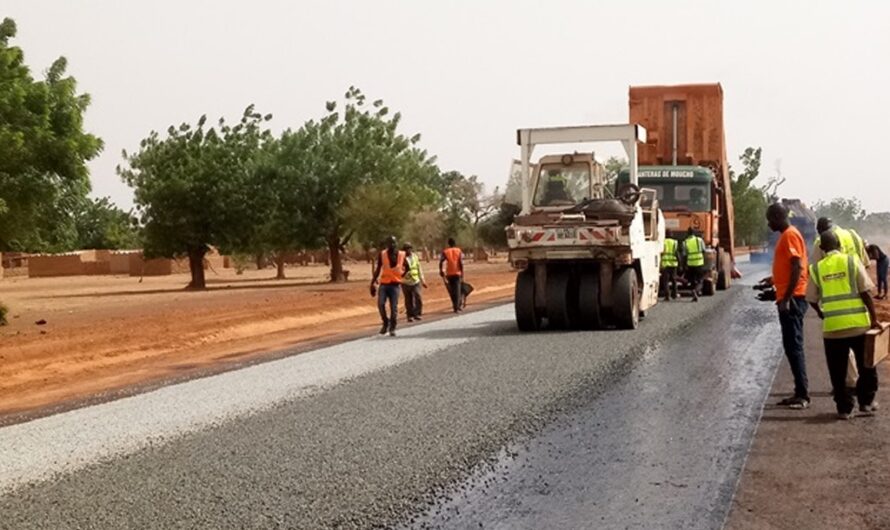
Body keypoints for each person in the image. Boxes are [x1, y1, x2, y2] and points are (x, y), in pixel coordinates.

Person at [806, 230, 880, 420]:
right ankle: (866, 402)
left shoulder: (816, 268)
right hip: (858, 325)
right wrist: (874, 318)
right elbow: (865, 292)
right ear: (839, 244)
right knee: (867, 366)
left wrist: (821, 313)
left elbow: (811, 298)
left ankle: (844, 409)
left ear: (821, 248)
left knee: (837, 371)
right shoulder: (851, 261)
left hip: (833, 329)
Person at [764, 203, 811, 409]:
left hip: (793, 299)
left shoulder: (790, 235)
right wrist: (773, 281)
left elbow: (797, 266)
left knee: (794, 347)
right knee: (791, 347)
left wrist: (787, 297)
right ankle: (799, 392)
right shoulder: (787, 235)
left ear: (777, 216)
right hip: (791, 296)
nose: (768, 223)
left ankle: (802, 395)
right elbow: (788, 268)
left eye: (769, 219)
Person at [370, 236, 407, 336]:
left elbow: (407, 267)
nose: (392, 245)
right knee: (381, 304)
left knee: (393, 307)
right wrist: (372, 282)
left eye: (394, 243)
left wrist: (401, 275)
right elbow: (378, 269)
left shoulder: (401, 254)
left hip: (395, 285)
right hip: (384, 284)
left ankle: (392, 327)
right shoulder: (382, 254)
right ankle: (385, 322)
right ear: (387, 244)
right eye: (390, 243)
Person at [401, 242, 427, 321]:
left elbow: (419, 268)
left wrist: (423, 280)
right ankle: (410, 316)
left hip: (416, 280)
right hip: (405, 281)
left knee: (418, 296)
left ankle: (418, 314)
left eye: (409, 248)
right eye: (406, 249)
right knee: (408, 300)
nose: (408, 250)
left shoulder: (415, 257)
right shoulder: (401, 258)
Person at [439, 238, 464, 313]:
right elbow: (460, 262)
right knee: (458, 290)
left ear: (448, 244)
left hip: (449, 274)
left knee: (452, 290)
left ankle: (455, 305)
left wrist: (441, 270)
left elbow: (441, 262)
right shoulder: (458, 250)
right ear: (455, 243)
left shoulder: (445, 251)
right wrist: (462, 272)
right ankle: (457, 307)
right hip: (457, 273)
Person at [682, 228, 706, 302]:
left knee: (692, 280)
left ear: (688, 234)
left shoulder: (685, 242)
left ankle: (694, 295)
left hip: (690, 264)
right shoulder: (699, 240)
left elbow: (684, 254)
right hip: (699, 263)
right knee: (700, 280)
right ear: (694, 233)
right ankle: (696, 291)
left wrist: (684, 265)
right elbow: (704, 250)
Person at [660, 236, 680, 301]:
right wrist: (680, 262)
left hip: (665, 264)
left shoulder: (663, 242)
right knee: (674, 280)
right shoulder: (675, 242)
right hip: (673, 263)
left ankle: (667, 296)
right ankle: (674, 294)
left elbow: (661, 252)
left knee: (665, 281)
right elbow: (677, 253)